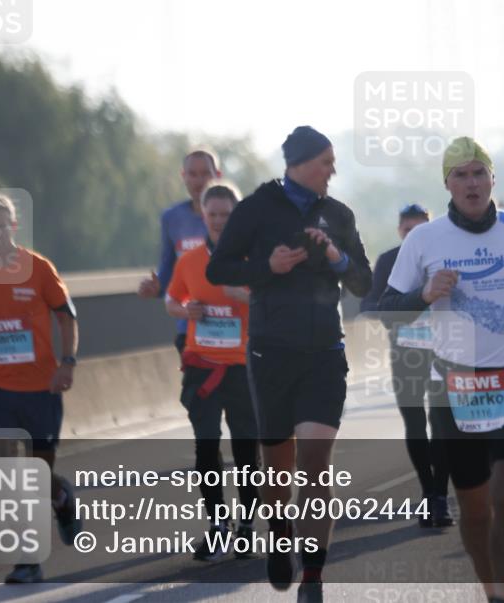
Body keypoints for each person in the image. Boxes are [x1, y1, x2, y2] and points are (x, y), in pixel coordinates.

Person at [378, 137, 504, 603]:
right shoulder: (424, 239)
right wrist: (423, 295)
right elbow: (387, 308)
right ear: (447, 184)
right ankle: (491, 592)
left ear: (492, 179)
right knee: (475, 509)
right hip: (454, 384)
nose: (471, 182)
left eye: (479, 172)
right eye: (460, 174)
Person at [206, 126, 371, 603]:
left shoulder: (338, 213)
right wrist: (268, 268)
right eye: (326, 162)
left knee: (315, 463)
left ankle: (313, 578)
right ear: (298, 163)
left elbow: (364, 282)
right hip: (270, 352)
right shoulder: (256, 208)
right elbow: (220, 269)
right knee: (278, 466)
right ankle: (279, 528)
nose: (333, 170)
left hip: (324, 353)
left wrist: (338, 257)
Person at [0, 193, 81, 584]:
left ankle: (61, 498)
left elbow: (67, 317)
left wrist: (67, 363)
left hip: (41, 389)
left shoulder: (38, 268)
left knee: (39, 475)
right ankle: (28, 560)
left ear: (12, 226)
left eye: (0, 225)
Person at [165, 184, 261, 560]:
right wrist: (184, 310)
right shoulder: (189, 261)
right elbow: (173, 299)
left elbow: (274, 301)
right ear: (203, 216)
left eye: (226, 214)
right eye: (213, 215)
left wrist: (244, 296)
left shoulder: (253, 258)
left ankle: (247, 524)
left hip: (242, 367)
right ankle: (218, 524)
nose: (220, 221)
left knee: (245, 449)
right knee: (206, 446)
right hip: (201, 365)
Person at [359, 203, 454, 529]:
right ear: (400, 231)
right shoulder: (389, 260)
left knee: (441, 423)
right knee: (414, 424)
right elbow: (370, 302)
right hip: (406, 352)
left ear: (429, 228)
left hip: (443, 352)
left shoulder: (443, 256)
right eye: (407, 230)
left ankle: (440, 497)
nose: (413, 235)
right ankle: (428, 492)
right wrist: (383, 313)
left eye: (419, 229)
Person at [138, 149, 222, 354]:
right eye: (192, 174)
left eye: (205, 174)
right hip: (190, 325)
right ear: (183, 176)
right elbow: (169, 268)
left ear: (218, 176)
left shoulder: (234, 216)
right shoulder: (172, 217)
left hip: (228, 324)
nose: (199, 180)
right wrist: (157, 287)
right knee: (195, 386)